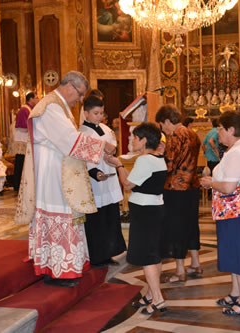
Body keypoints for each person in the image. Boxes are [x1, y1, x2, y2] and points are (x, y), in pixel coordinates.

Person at [15, 71, 116, 288]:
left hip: (61, 170)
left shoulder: (60, 107)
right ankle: (57, 271)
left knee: (66, 215)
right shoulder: (51, 107)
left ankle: (61, 267)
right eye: (80, 95)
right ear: (70, 86)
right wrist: (101, 146)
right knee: (58, 214)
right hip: (53, 174)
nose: (80, 100)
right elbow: (69, 140)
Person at [200, 110, 240, 316]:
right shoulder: (236, 149)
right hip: (235, 211)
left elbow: (228, 187)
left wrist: (211, 183)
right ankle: (236, 293)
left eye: (219, 129)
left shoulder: (238, 151)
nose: (217, 133)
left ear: (231, 129)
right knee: (236, 252)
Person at [105, 122, 168, 315]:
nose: (131, 140)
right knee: (154, 253)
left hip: (145, 212)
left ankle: (158, 299)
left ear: (144, 140)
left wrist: (119, 165)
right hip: (155, 209)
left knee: (147, 257)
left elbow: (127, 184)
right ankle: (150, 294)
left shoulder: (145, 160)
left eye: (135, 137)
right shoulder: (158, 158)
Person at [155, 105, 202, 282]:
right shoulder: (193, 134)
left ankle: (180, 270)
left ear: (167, 121)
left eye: (162, 125)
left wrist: (159, 154)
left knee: (177, 228)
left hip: (176, 187)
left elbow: (169, 165)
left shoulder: (174, 136)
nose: (162, 129)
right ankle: (196, 263)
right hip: (192, 185)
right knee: (191, 224)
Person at [79, 96, 126, 267]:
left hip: (109, 176)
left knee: (110, 217)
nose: (99, 116)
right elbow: (82, 158)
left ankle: (109, 252)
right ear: (86, 113)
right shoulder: (82, 133)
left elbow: (113, 147)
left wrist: (112, 150)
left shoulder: (106, 128)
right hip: (95, 180)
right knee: (97, 220)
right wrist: (95, 172)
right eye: (95, 113)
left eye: (101, 113)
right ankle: (96, 255)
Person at [12, 92, 39, 192]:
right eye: (36, 98)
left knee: (23, 162)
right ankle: (17, 185)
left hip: (25, 139)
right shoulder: (25, 109)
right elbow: (24, 125)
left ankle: (21, 185)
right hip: (22, 140)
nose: (37, 100)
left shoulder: (29, 109)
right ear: (30, 99)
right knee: (20, 162)